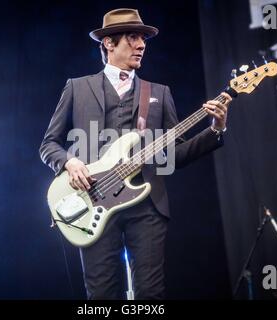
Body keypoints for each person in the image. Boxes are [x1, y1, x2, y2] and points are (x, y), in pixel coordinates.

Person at [39, 8, 232, 299]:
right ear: (109, 43)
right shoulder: (77, 88)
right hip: (92, 201)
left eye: (143, 39)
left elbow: (175, 155)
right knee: (101, 295)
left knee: (150, 295)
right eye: (132, 38)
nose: (141, 45)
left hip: (147, 206)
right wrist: (69, 161)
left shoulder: (159, 92)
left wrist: (216, 128)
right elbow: (48, 144)